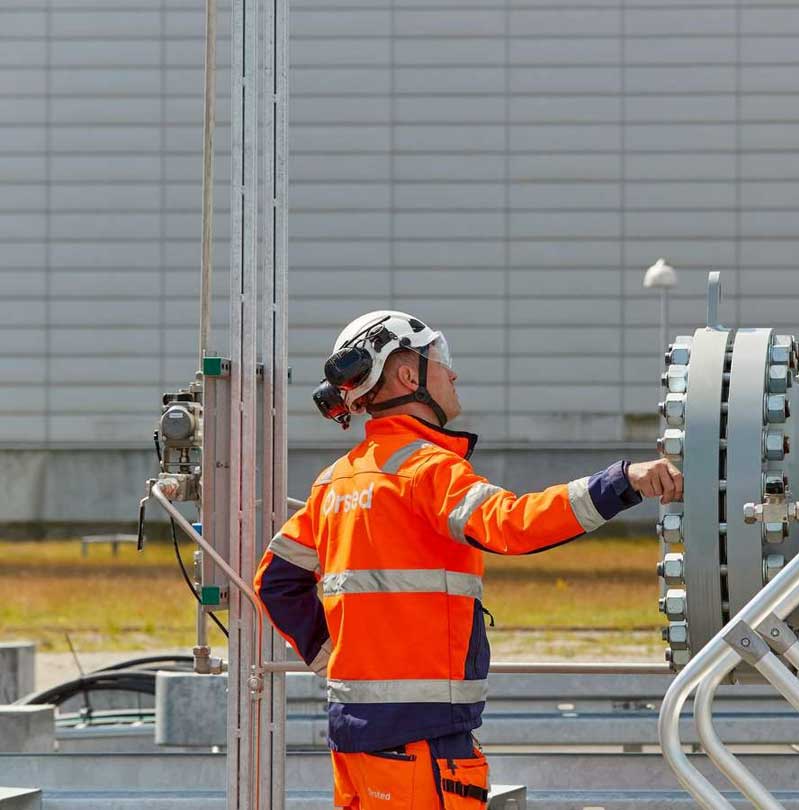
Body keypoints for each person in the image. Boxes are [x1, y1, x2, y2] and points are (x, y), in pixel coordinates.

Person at [253, 310, 682, 809]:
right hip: (423, 744)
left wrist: (337, 661)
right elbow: (513, 524)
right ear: (409, 376)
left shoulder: (335, 482)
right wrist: (620, 483)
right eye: (441, 360)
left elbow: (275, 582)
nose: (452, 374)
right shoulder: (426, 469)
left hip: (356, 738)